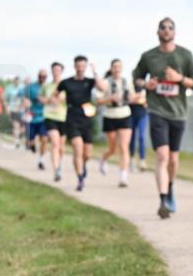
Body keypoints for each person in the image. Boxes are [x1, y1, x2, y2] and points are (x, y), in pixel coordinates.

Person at [132, 17, 193, 219]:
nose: (166, 31)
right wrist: (146, 85)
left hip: (178, 112)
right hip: (156, 110)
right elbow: (136, 77)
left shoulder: (185, 55)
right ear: (158, 32)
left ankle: (170, 189)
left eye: (170, 28)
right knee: (162, 156)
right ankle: (162, 200)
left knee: (173, 158)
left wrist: (179, 79)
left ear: (175, 32)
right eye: (163, 28)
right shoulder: (148, 56)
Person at [58, 55, 108, 192]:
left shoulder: (90, 81)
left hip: (86, 119)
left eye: (83, 66)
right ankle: (80, 178)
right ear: (74, 66)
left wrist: (95, 72)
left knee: (87, 154)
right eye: (78, 66)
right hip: (72, 118)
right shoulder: (66, 82)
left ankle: (83, 166)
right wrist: (56, 102)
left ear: (85, 67)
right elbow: (56, 94)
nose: (80, 69)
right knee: (77, 148)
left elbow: (103, 88)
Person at [98, 59, 136, 188]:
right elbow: (98, 100)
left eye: (119, 66)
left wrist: (134, 98)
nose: (117, 69)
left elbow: (132, 96)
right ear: (111, 68)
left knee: (124, 147)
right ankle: (104, 158)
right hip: (110, 115)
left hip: (124, 115)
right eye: (114, 66)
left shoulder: (127, 82)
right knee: (112, 148)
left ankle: (123, 177)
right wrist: (109, 99)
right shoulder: (105, 83)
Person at [41, 62, 67, 182]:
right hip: (50, 116)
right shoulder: (47, 86)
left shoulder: (66, 85)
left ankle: (59, 165)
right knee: (55, 144)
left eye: (58, 70)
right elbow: (41, 98)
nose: (56, 72)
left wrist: (63, 99)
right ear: (51, 71)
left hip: (63, 117)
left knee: (61, 147)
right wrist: (48, 99)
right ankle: (56, 170)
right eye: (54, 70)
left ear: (61, 71)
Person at [24, 69, 48, 170]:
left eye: (44, 76)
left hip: (44, 117)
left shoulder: (48, 87)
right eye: (41, 76)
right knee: (31, 141)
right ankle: (32, 145)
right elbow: (25, 99)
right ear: (38, 76)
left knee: (44, 139)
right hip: (32, 117)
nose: (42, 78)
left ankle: (41, 160)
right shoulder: (31, 87)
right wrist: (26, 104)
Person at [129, 87, 149, 173]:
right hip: (131, 115)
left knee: (141, 137)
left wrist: (137, 99)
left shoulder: (147, 88)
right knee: (132, 138)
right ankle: (132, 159)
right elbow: (129, 100)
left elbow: (147, 102)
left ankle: (142, 160)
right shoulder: (130, 87)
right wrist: (138, 97)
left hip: (143, 115)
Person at [5, 76, 26, 148]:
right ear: (14, 81)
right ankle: (16, 141)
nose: (17, 82)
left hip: (22, 110)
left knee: (23, 128)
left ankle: (20, 138)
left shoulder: (23, 88)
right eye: (15, 81)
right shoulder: (9, 88)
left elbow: (26, 98)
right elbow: (6, 99)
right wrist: (7, 108)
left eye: (18, 81)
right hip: (13, 109)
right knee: (15, 125)